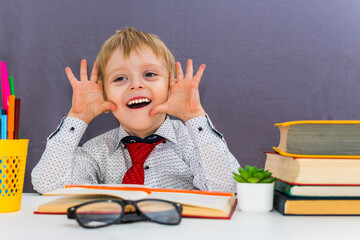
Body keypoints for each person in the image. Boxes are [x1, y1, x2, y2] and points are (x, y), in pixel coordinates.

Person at [31, 27, 240, 194]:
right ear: (104, 94)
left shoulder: (192, 142)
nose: (136, 85)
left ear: (171, 85)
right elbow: (49, 185)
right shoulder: (96, 151)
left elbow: (226, 188)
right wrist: (77, 117)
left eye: (149, 74)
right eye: (120, 78)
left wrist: (195, 116)